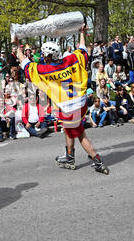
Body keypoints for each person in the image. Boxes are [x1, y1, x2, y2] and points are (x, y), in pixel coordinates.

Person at [15, 24, 109, 174]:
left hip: (69, 108)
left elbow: (25, 64)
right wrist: (82, 33)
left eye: (44, 55)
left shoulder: (45, 70)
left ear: (49, 56)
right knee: (68, 128)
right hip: (81, 102)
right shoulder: (71, 59)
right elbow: (83, 50)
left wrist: (17, 46)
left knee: (80, 134)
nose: (43, 57)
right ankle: (69, 155)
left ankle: (97, 161)